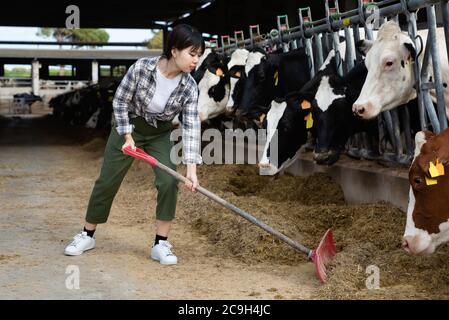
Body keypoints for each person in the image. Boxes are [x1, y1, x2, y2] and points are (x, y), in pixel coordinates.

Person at [64, 24, 204, 265]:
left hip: (160, 132)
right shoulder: (142, 68)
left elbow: (191, 126)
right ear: (174, 51)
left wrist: (191, 171)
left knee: (169, 180)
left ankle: (161, 243)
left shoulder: (189, 86)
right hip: (129, 126)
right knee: (108, 180)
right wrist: (127, 137)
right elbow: (119, 102)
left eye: (199, 55)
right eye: (192, 54)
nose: (196, 60)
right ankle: (87, 234)